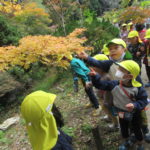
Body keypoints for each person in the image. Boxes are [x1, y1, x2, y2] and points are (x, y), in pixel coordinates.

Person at [78, 38, 150, 142]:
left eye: (116, 48)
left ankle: (145, 131)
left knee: (140, 117)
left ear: (124, 50)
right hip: (120, 94)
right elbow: (98, 63)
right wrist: (87, 57)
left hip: (133, 97)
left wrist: (140, 94)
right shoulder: (110, 63)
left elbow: (138, 80)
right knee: (125, 119)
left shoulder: (129, 62)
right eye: (110, 49)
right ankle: (132, 135)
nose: (112, 51)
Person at [90, 60, 148, 150]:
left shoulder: (137, 88)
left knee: (137, 128)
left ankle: (140, 143)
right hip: (121, 112)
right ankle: (126, 141)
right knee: (123, 128)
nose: (118, 70)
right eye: (119, 68)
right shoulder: (114, 84)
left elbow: (143, 100)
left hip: (134, 113)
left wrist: (135, 105)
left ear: (130, 76)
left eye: (121, 70)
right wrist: (95, 77)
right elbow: (100, 85)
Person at [92, 54, 119, 130]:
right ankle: (109, 117)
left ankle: (116, 124)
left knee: (111, 110)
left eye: (95, 66)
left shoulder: (107, 76)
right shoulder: (99, 74)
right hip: (103, 97)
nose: (93, 68)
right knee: (105, 109)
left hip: (109, 99)